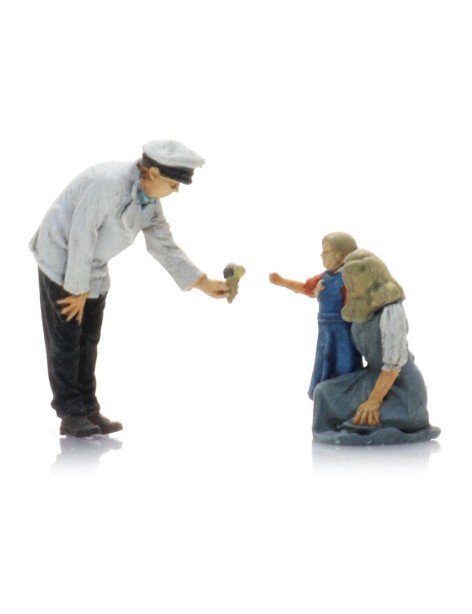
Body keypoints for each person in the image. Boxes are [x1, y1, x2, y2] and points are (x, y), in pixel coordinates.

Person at [30, 140, 230, 437]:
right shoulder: (106, 186)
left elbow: (164, 246)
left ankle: (88, 406)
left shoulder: (149, 203)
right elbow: (81, 234)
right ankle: (70, 413)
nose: (176, 191)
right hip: (62, 259)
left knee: (89, 340)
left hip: (92, 266)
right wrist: (76, 289)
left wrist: (202, 283)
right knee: (66, 342)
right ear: (151, 172)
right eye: (173, 184)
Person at [312, 249, 441, 445]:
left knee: (360, 420)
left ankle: (403, 420)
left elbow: (392, 366)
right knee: (324, 393)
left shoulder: (391, 311)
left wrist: (374, 400)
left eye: (351, 282)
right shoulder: (360, 306)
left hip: (399, 387)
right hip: (371, 377)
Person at [269, 232, 362, 400]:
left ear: (340, 256)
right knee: (324, 361)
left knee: (345, 363)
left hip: (344, 331)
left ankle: (347, 399)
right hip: (325, 330)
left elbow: (358, 304)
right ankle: (325, 399)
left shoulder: (349, 278)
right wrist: (282, 282)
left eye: (326, 252)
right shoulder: (323, 278)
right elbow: (306, 288)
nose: (321, 255)